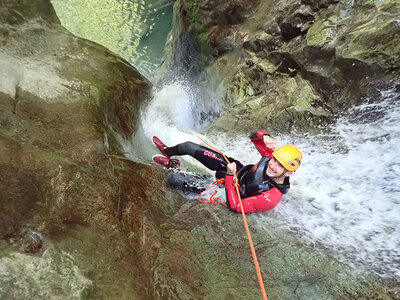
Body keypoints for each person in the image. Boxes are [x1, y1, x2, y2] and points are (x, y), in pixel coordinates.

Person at [152, 130, 302, 213]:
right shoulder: (270, 158)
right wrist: (264, 136)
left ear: (288, 173)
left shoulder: (270, 198)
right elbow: (252, 134)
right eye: (274, 160)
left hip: (227, 191)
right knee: (188, 146)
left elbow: (236, 206)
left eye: (280, 166)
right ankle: (167, 152)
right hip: (234, 168)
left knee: (173, 179)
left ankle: (173, 166)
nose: (273, 165)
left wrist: (230, 178)